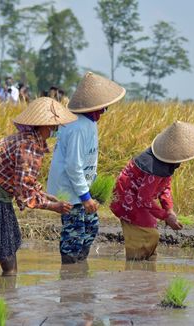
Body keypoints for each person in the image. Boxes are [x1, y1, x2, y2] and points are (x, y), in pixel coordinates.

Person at [0, 97, 77, 276]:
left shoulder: (34, 142)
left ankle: (9, 287)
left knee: (8, 241)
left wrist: (43, 194)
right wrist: (52, 206)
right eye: (53, 126)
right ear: (43, 126)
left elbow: (26, 180)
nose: (56, 129)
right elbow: (23, 191)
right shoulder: (28, 146)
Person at [47, 72, 126, 264]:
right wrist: (85, 197)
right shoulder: (76, 127)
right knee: (74, 235)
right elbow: (73, 165)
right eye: (103, 106)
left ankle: (79, 271)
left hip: (80, 188)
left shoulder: (89, 123)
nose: (105, 109)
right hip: (69, 190)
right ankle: (70, 278)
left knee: (90, 228)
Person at [110, 121, 194, 260]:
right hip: (128, 198)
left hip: (138, 198)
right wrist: (165, 216)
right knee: (147, 234)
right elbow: (144, 198)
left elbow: (165, 187)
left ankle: (147, 265)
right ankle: (135, 268)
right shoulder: (155, 166)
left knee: (150, 233)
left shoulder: (167, 161)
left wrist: (169, 209)